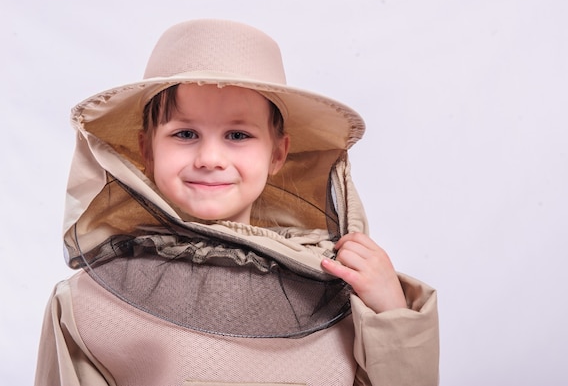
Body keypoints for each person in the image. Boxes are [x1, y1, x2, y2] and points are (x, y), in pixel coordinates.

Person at [35, 19, 439, 386]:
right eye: (185, 134)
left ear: (277, 154)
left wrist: (392, 315)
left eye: (238, 135)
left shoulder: (342, 287)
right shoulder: (89, 303)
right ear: (148, 150)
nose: (210, 158)